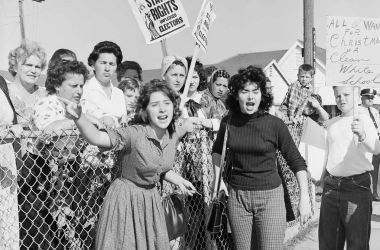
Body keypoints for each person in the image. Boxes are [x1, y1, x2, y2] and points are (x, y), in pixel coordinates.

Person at [61, 80, 197, 249]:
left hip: (151, 202)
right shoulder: (134, 134)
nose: (162, 109)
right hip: (125, 202)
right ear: (145, 111)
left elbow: (159, 167)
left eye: (167, 103)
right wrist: (79, 117)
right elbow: (97, 137)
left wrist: (178, 180)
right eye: (155, 104)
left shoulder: (171, 137)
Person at [212, 66, 311, 250]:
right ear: (236, 95)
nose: (250, 97)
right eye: (245, 91)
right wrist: (217, 181)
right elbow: (217, 151)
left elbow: (297, 162)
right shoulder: (229, 122)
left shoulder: (275, 125)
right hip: (238, 199)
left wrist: (304, 198)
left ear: (262, 95)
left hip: (270, 199)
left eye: (255, 91)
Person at [319, 86, 380, 250]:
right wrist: (320, 178)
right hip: (331, 188)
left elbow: (376, 149)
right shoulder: (331, 123)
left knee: (357, 243)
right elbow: (328, 155)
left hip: (357, 187)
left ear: (355, 95)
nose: (342, 99)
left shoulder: (363, 119)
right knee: (328, 243)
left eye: (346, 94)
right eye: (338, 95)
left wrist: (363, 135)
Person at [33, 60, 88, 132]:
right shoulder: (46, 103)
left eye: (81, 86)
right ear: (57, 85)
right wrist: (82, 120)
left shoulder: (81, 105)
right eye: (74, 86)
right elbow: (47, 129)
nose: (79, 91)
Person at [81, 41, 126, 128]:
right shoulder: (84, 90)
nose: (107, 68)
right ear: (93, 64)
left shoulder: (119, 93)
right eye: (103, 63)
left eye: (111, 64)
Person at [8, 40, 47, 126]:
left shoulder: (46, 95)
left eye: (37, 67)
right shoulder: (4, 94)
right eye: (28, 65)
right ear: (15, 67)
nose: (33, 71)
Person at [359, 88, 380, 202]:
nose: (371, 99)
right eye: (368, 97)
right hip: (367, 142)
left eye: (372, 97)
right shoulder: (358, 111)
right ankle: (369, 192)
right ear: (361, 97)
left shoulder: (375, 111)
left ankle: (375, 192)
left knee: (376, 169)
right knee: (369, 169)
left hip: (377, 141)